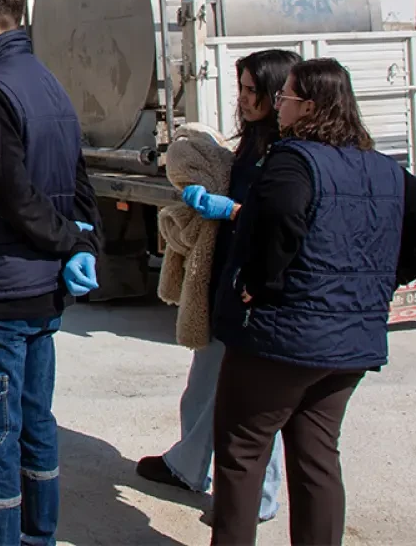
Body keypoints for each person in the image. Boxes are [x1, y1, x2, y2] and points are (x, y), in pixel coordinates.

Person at [197, 58, 416, 545]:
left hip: (281, 341)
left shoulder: (293, 159)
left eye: (285, 98)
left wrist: (259, 281)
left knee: (242, 453)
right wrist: (385, 281)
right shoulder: (382, 167)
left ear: (309, 107)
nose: (279, 105)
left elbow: (280, 219)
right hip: (349, 346)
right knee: (317, 459)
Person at [0, 0, 102, 546]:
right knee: (35, 429)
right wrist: (81, 241)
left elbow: (13, 193)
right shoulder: (44, 80)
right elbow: (79, 182)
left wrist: (68, 240)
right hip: (41, 293)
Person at [136, 49, 299, 522]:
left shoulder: (288, 154)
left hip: (257, 290)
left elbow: (284, 222)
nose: (245, 99)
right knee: (204, 385)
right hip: (226, 280)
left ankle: (258, 499)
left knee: (251, 407)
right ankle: (188, 464)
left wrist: (227, 210)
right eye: (242, 89)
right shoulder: (251, 143)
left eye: (255, 91)